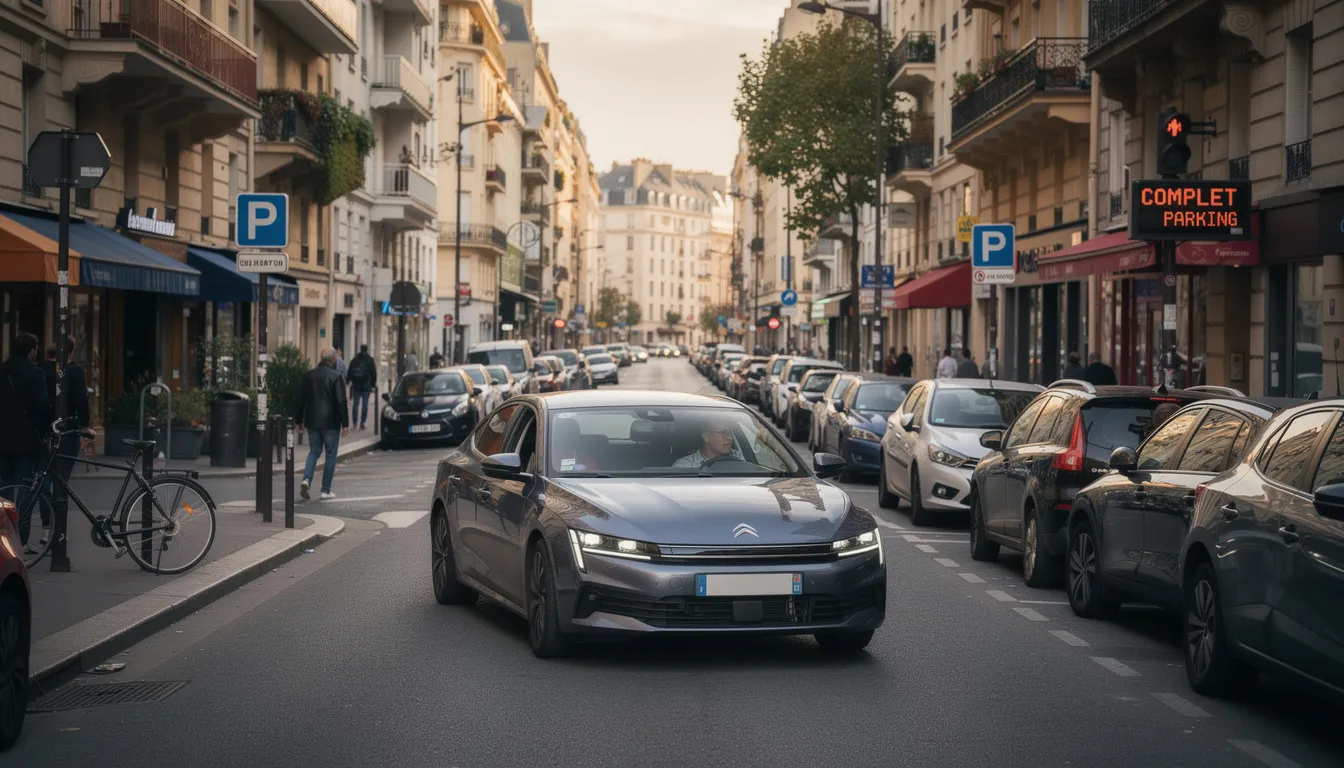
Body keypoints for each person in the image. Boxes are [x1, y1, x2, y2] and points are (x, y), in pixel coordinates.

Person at [2, 332, 54, 552]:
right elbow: (42, 406)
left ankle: (3, 538)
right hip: (27, 439)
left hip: (3, 438)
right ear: (33, 350)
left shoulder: (3, 371)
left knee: (5, 489)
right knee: (25, 488)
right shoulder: (35, 372)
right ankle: (19, 540)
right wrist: (46, 429)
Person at [295, 347, 349, 500]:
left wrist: (299, 420)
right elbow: (341, 401)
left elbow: (301, 400)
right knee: (331, 455)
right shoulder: (337, 376)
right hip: (331, 422)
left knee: (314, 451)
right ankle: (325, 490)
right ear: (333, 360)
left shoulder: (309, 375)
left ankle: (306, 479)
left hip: (312, 421)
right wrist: (345, 423)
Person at [42, 336, 90, 489]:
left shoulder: (41, 369)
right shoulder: (75, 372)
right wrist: (85, 426)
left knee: (45, 472)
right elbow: (81, 400)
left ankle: (46, 511)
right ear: (71, 351)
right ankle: (58, 510)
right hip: (67, 428)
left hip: (43, 427)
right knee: (62, 477)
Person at [346, 344, 377, 429]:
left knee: (355, 404)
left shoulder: (355, 359)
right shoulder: (370, 359)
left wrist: (348, 380)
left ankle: (355, 423)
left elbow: (350, 370)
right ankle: (362, 423)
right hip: (366, 385)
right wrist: (373, 384)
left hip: (356, 385)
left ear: (360, 349)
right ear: (367, 349)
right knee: (365, 404)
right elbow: (373, 373)